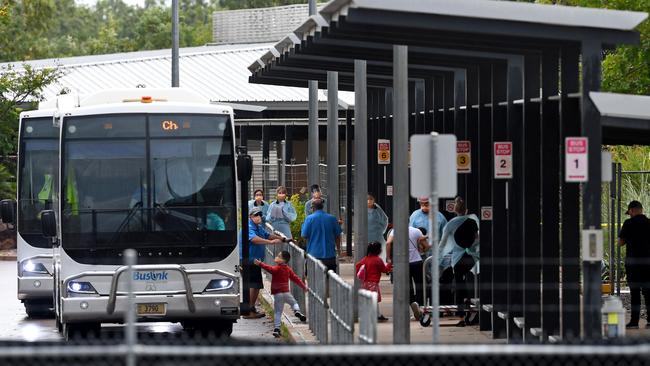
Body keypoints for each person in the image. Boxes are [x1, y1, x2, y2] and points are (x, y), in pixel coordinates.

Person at [438, 196, 479, 326]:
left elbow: (443, 244)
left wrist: (438, 259)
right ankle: (469, 304)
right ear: (466, 209)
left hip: (458, 258)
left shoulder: (451, 223)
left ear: (454, 209)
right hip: (472, 257)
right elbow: (477, 238)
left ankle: (461, 316)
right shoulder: (473, 221)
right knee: (465, 281)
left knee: (459, 283)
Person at [239, 207, 285, 318]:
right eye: (256, 215)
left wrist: (282, 238)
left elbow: (267, 235)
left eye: (259, 214)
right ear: (250, 217)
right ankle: (248, 311)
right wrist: (270, 242)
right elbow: (254, 239)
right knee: (252, 285)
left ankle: (251, 308)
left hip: (255, 261)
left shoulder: (258, 227)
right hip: (249, 260)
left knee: (256, 286)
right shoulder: (248, 227)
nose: (258, 217)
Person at [254, 250, 307, 338]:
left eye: (278, 256)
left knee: (278, 312)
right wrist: (303, 286)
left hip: (277, 294)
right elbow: (295, 278)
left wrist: (260, 264)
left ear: (282, 260)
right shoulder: (288, 269)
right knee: (294, 303)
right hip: (286, 292)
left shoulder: (277, 268)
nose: (276, 257)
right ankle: (297, 311)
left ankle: (277, 329)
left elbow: (269, 268)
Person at [386, 226, 430, 320]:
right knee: (420, 285)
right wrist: (421, 251)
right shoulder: (417, 231)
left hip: (402, 263)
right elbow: (426, 246)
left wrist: (389, 258)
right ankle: (420, 306)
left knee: (407, 286)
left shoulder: (394, 231)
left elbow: (388, 243)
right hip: (417, 262)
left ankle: (413, 304)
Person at [618, 200, 650, 329]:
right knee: (649, 292)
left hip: (633, 264)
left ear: (631, 210)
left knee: (635, 293)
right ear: (641, 210)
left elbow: (620, 243)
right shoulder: (649, 223)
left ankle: (634, 322)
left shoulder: (628, 223)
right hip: (648, 263)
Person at [301, 199, 343, 273]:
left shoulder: (309, 219)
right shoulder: (332, 218)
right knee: (330, 279)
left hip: (313, 255)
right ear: (322, 207)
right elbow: (337, 236)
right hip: (330, 255)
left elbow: (304, 235)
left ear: (313, 208)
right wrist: (338, 250)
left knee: (312, 279)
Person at [356, 241, 393, 322]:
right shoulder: (377, 260)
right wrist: (390, 264)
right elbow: (384, 270)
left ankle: (375, 314)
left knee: (369, 299)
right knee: (374, 299)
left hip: (365, 282)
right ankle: (376, 315)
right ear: (378, 251)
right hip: (374, 283)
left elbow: (358, 265)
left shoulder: (365, 259)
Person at [367, 194, 389, 262]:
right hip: (366, 236)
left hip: (377, 235)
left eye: (371, 199)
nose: (369, 201)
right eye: (367, 199)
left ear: (374, 200)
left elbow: (385, 220)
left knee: (379, 253)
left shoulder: (377, 208)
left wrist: (382, 230)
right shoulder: (362, 208)